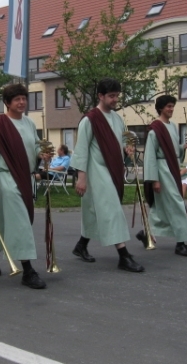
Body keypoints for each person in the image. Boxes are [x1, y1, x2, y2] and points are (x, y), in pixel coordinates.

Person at [0, 83, 50, 289]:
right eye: (17, 99)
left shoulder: (28, 123)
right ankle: (27, 270)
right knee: (20, 223)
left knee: (2, 221)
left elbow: (34, 146)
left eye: (24, 98)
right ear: (7, 103)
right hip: (6, 178)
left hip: (25, 178)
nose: (21, 102)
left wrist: (40, 154)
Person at [70, 78, 144, 272]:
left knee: (96, 212)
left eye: (117, 96)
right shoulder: (90, 120)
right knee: (112, 211)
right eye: (111, 96)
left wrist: (127, 148)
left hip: (113, 170)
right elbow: (81, 149)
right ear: (100, 96)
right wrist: (81, 177)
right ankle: (123, 255)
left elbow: (120, 140)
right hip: (96, 171)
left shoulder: (117, 118)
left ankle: (81, 246)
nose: (115, 99)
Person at [143, 95, 187, 257]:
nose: (171, 109)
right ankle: (181, 243)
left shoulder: (172, 126)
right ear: (160, 108)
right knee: (177, 203)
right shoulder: (155, 129)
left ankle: (145, 233)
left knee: (161, 207)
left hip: (171, 168)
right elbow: (150, 156)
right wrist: (154, 179)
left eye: (173, 106)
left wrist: (184, 147)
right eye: (168, 107)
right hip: (161, 171)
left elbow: (174, 150)